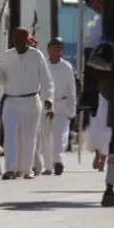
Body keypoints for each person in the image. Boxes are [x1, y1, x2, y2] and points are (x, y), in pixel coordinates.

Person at [0, 27, 54, 180]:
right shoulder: (6, 56)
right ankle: (11, 169)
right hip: (11, 101)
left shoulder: (36, 55)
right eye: (16, 39)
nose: (18, 42)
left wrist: (48, 100)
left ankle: (26, 169)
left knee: (29, 137)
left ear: (27, 40)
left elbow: (47, 81)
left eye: (21, 39)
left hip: (31, 102)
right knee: (10, 136)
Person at [43, 37, 76, 177]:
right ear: (48, 49)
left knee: (60, 135)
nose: (55, 51)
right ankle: (48, 166)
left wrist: (71, 109)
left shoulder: (67, 67)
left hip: (62, 104)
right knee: (45, 136)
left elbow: (71, 89)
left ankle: (58, 162)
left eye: (58, 48)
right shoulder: (42, 64)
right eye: (53, 47)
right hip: (45, 103)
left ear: (61, 50)